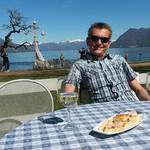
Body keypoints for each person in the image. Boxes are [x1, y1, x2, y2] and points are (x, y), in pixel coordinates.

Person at [64, 22, 150, 102]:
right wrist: (70, 108)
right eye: (94, 38)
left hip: (131, 109)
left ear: (109, 43)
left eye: (104, 40)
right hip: (103, 114)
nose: (99, 42)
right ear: (88, 41)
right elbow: (69, 89)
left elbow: (138, 89)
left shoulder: (119, 60)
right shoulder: (79, 65)